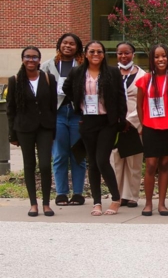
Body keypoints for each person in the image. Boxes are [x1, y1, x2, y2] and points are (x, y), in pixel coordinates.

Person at [62, 41, 128, 216]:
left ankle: (115, 198)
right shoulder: (77, 72)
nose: (96, 54)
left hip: (107, 122)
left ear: (104, 54)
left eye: (99, 51)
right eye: (92, 51)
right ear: (86, 53)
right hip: (87, 121)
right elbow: (66, 88)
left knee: (102, 160)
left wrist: (121, 120)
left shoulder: (113, 72)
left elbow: (121, 98)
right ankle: (97, 202)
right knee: (92, 163)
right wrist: (78, 102)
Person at [7, 46, 57, 217]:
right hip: (24, 128)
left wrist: (53, 132)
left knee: (44, 165)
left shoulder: (48, 79)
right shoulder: (15, 80)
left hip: (45, 128)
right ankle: (33, 204)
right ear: (23, 59)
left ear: (39, 60)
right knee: (29, 165)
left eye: (34, 57)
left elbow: (53, 107)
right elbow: (11, 110)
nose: (31, 60)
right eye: (27, 57)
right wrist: (12, 135)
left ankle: (46, 204)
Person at [136, 44, 168, 216]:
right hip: (150, 127)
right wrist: (143, 124)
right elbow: (139, 105)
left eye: (163, 56)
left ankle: (162, 204)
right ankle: (148, 203)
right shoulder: (145, 79)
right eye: (157, 57)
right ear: (152, 59)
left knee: (165, 165)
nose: (160, 59)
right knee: (150, 165)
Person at [40, 33, 86, 206]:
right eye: (64, 43)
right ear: (59, 45)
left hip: (77, 114)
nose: (68, 46)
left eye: (72, 44)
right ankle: (61, 193)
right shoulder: (47, 66)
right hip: (57, 114)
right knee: (59, 154)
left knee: (78, 155)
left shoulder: (83, 65)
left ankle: (78, 193)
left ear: (78, 47)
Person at [110, 42, 145, 208]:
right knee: (116, 161)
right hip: (115, 124)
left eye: (127, 53)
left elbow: (145, 101)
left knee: (133, 162)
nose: (123, 56)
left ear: (133, 53)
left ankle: (132, 196)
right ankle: (117, 195)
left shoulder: (143, 76)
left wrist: (130, 121)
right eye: (120, 53)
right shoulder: (110, 74)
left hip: (134, 124)